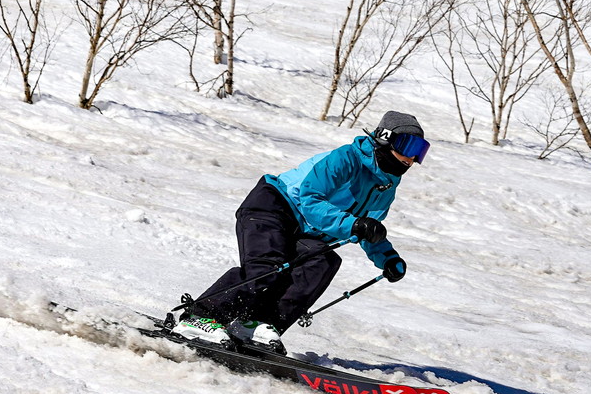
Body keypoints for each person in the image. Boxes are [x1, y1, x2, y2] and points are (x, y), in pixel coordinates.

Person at [172, 111, 430, 351]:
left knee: (322, 262)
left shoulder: (386, 187)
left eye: (421, 151)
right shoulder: (346, 159)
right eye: (409, 147)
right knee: (267, 268)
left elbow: (368, 229)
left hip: (308, 230)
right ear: (385, 139)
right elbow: (310, 199)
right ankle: (199, 318)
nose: (413, 158)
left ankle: (253, 325)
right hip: (275, 206)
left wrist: (387, 258)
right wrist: (353, 224)